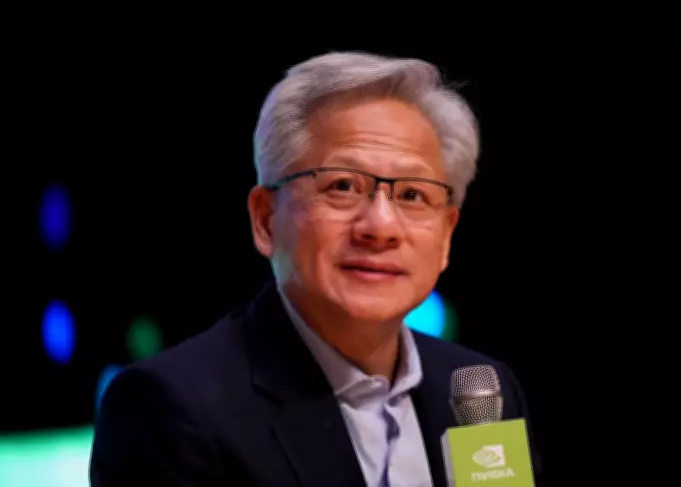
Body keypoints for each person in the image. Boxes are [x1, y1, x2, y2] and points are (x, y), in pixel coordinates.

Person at [90, 52, 545, 486]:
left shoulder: (478, 391)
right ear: (266, 220)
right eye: (342, 186)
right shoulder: (172, 407)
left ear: (445, 236)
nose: (381, 227)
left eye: (412, 195)